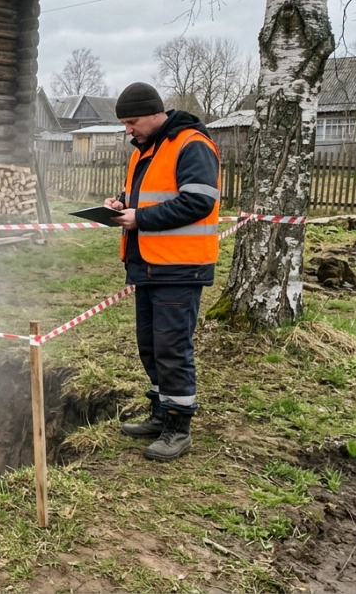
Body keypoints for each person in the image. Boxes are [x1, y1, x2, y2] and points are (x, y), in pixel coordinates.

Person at [104, 82, 221, 462]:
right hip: (149, 266)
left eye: (132, 122)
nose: (128, 130)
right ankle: (160, 411)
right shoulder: (145, 151)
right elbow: (153, 197)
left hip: (179, 267)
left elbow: (199, 202)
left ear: (157, 114)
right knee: (151, 347)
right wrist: (121, 204)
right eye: (124, 123)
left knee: (172, 349)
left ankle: (178, 427)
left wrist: (140, 217)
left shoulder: (191, 145)